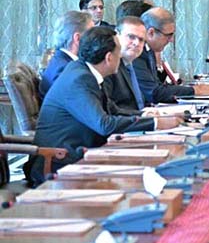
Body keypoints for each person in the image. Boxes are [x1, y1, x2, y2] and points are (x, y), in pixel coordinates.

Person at [31, 27, 182, 184]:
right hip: (60, 161)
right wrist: (156, 123)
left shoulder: (84, 70)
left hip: (83, 152)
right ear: (109, 58)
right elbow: (104, 124)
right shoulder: (79, 79)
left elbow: (112, 110)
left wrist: (147, 115)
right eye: (118, 53)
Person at [134, 7, 209, 104]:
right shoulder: (136, 53)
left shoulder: (149, 50)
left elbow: (159, 86)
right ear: (151, 33)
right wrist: (195, 91)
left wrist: (192, 89)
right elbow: (154, 93)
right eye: (168, 35)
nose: (171, 40)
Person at [39, 11, 94, 99]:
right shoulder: (65, 70)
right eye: (92, 35)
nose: (95, 40)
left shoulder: (60, 61)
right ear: (77, 38)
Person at [103, 17, 148, 115]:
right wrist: (143, 115)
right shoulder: (107, 66)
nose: (136, 43)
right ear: (116, 35)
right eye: (131, 37)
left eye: (141, 39)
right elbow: (109, 110)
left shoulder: (130, 64)